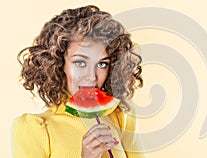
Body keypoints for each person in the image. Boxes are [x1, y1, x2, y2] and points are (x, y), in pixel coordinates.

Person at [12, 5, 146, 158]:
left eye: (102, 64)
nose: (91, 77)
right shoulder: (34, 128)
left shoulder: (120, 115)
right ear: (58, 64)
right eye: (80, 63)